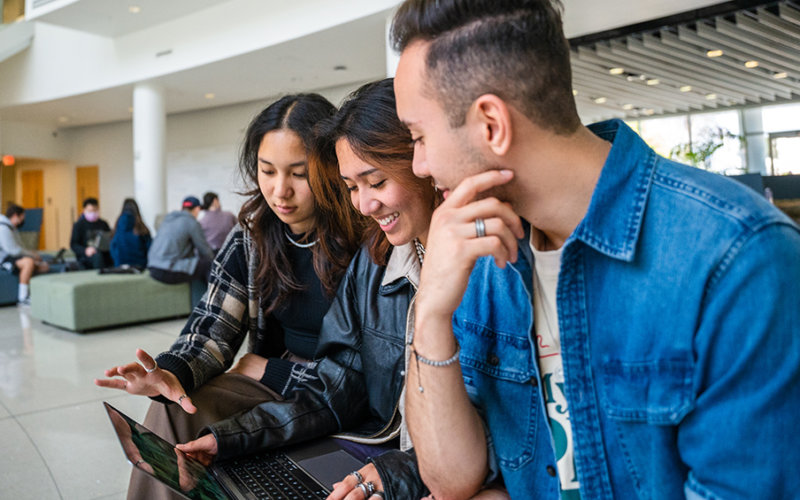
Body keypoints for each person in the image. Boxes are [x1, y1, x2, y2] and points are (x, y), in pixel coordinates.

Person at [390, 1, 800, 499]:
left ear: (491, 125)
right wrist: (430, 313)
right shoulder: (478, 254)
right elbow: (451, 479)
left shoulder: (737, 258)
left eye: (419, 137)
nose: (418, 165)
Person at [95, 93, 363, 500]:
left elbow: (364, 374)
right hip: (278, 381)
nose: (280, 191)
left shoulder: (365, 238)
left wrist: (264, 369)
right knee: (175, 410)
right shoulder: (253, 236)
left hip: (338, 390)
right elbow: (211, 328)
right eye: (267, 171)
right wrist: (170, 373)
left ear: (331, 169)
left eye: (298, 174)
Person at [146, 196, 214, 284]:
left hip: (153, 268)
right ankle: (214, 296)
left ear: (182, 208)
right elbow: (205, 251)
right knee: (209, 264)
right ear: (197, 209)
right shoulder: (191, 222)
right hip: (167, 271)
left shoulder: (167, 220)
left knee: (197, 264)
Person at [0, 203, 50, 305]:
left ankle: (37, 292)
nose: (23, 220)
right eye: (22, 217)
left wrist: (32, 256)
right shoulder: (3, 228)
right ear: (15, 216)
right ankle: (23, 297)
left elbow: (19, 248)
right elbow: (12, 250)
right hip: (3, 259)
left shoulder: (12, 228)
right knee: (28, 262)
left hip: (11, 257)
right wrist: (31, 255)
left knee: (44, 267)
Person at [70, 197, 112, 269]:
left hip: (103, 252)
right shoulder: (79, 225)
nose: (92, 213)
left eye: (95, 210)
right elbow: (73, 244)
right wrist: (85, 250)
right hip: (86, 256)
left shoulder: (103, 224)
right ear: (84, 210)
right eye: (90, 211)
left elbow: (109, 238)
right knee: (97, 257)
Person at [110, 198, 152, 269]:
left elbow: (113, 247)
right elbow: (150, 248)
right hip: (140, 266)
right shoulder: (141, 227)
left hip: (120, 265)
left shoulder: (117, 226)